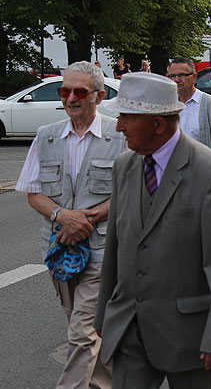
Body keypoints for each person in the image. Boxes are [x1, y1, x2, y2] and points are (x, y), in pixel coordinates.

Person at [94, 72, 211, 389]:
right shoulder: (125, 166)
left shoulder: (210, 171)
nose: (119, 126)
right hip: (130, 329)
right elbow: (116, 247)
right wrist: (104, 316)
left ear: (158, 124)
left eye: (126, 118)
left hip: (190, 337)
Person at [16, 61, 126, 389]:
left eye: (80, 91)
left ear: (99, 95)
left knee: (81, 332)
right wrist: (62, 217)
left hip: (102, 250)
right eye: (66, 91)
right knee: (89, 330)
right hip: (59, 251)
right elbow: (33, 192)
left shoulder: (118, 135)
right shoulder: (46, 136)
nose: (71, 98)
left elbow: (131, 193)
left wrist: (86, 219)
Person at [168, 57, 211, 161]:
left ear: (194, 77)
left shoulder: (210, 104)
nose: (176, 80)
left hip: (201, 172)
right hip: (174, 171)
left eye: (181, 75)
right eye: (173, 76)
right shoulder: (168, 104)